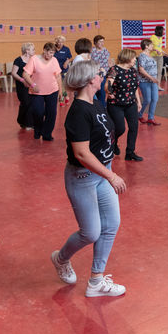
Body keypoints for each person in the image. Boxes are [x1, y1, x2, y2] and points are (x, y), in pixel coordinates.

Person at [52, 59, 127, 298]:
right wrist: (111, 175)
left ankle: (96, 281)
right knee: (91, 232)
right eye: (98, 73)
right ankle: (60, 258)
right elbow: (81, 153)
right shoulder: (78, 112)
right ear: (89, 80)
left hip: (101, 174)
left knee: (111, 225)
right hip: (83, 176)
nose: (101, 75)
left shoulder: (95, 103)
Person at [106, 48, 143, 161]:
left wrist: (139, 101)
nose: (135, 60)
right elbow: (108, 85)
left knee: (134, 127)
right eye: (133, 58)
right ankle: (113, 143)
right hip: (116, 104)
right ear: (127, 58)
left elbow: (135, 87)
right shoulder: (114, 69)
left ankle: (130, 152)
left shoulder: (133, 70)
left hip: (130, 103)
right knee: (120, 128)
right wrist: (110, 92)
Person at [22, 42, 62, 141]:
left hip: (53, 90)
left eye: (53, 53)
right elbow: (25, 74)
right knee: (38, 112)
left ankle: (47, 134)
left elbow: (58, 76)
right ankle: (38, 130)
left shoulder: (54, 60)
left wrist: (61, 91)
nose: (51, 55)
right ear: (44, 50)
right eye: (50, 52)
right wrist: (33, 85)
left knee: (51, 113)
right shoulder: (34, 59)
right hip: (37, 91)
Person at [10, 42, 35, 130]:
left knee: (31, 103)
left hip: (31, 84)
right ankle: (24, 122)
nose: (34, 51)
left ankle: (26, 122)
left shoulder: (33, 59)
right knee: (25, 103)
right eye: (33, 49)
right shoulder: (18, 60)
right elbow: (13, 73)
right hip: (21, 85)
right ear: (27, 51)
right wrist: (22, 80)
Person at [137, 39, 161, 126]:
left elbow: (156, 51)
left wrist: (157, 51)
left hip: (153, 81)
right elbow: (141, 69)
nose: (153, 46)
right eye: (151, 45)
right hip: (145, 81)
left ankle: (151, 118)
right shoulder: (142, 56)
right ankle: (139, 114)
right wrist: (151, 78)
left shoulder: (150, 54)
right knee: (147, 100)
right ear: (146, 46)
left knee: (155, 99)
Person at [91, 35, 111, 106]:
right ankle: (96, 107)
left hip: (104, 75)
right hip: (95, 75)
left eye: (103, 42)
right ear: (95, 43)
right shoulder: (92, 51)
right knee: (96, 92)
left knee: (103, 92)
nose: (102, 43)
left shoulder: (105, 50)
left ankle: (103, 108)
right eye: (100, 42)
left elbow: (109, 61)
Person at [53, 36, 73, 105]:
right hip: (55, 70)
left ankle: (64, 97)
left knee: (63, 85)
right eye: (58, 42)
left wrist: (67, 62)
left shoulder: (66, 49)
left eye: (61, 42)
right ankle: (63, 98)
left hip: (64, 70)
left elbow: (70, 57)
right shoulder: (53, 48)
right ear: (56, 42)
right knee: (59, 85)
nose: (60, 43)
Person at [150, 25, 166, 90]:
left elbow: (159, 48)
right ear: (160, 31)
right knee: (153, 72)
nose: (164, 32)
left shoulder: (161, 38)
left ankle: (158, 86)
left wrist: (164, 52)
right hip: (153, 56)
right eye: (163, 30)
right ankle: (152, 86)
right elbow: (150, 47)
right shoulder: (153, 37)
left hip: (160, 57)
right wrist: (156, 50)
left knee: (159, 72)